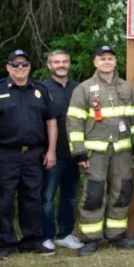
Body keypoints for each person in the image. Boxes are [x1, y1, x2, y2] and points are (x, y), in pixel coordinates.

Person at [0, 50, 60, 260]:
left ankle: (32, 240)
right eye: (15, 65)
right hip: (4, 155)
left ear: (30, 67)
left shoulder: (40, 90)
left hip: (34, 154)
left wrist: (51, 150)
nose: (20, 68)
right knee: (4, 200)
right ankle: (5, 243)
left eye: (24, 64)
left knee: (32, 198)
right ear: (8, 67)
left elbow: (51, 122)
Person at [67, 45, 134, 256]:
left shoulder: (126, 88)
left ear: (115, 62)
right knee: (94, 194)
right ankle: (90, 239)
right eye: (102, 59)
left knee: (122, 193)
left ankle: (116, 235)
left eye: (110, 58)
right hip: (95, 154)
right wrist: (78, 152)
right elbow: (74, 122)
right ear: (95, 62)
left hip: (122, 152)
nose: (107, 62)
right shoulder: (83, 89)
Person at [41, 50, 83, 251]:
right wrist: (46, 150)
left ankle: (65, 234)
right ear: (49, 65)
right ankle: (46, 236)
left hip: (74, 152)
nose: (61, 65)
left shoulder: (79, 88)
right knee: (47, 197)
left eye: (65, 61)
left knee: (69, 197)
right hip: (51, 153)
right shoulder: (41, 88)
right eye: (56, 62)